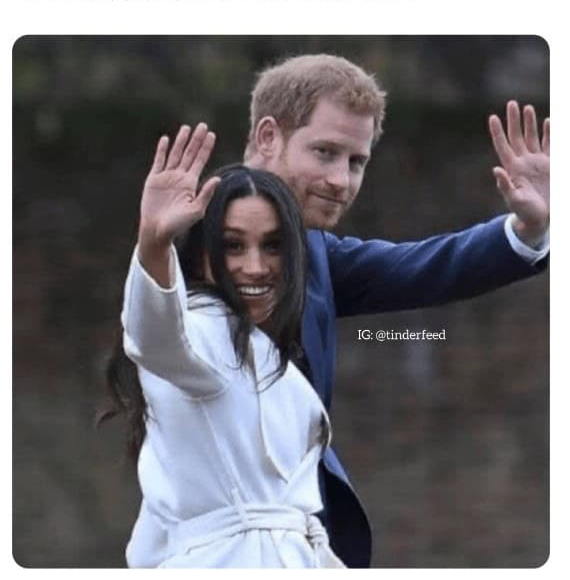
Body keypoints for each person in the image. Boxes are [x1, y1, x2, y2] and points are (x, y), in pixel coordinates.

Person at [125, 54, 550, 568]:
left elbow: (426, 267)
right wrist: (153, 245)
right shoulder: (181, 261)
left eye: (356, 162)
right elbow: (155, 333)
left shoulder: (318, 256)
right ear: (268, 136)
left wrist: (529, 229)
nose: (341, 181)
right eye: (324, 152)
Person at [110, 125, 345, 567]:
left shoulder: (273, 358)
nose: (255, 267)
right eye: (233, 246)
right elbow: (155, 336)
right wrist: (153, 243)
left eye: (273, 246)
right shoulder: (203, 333)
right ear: (201, 255)